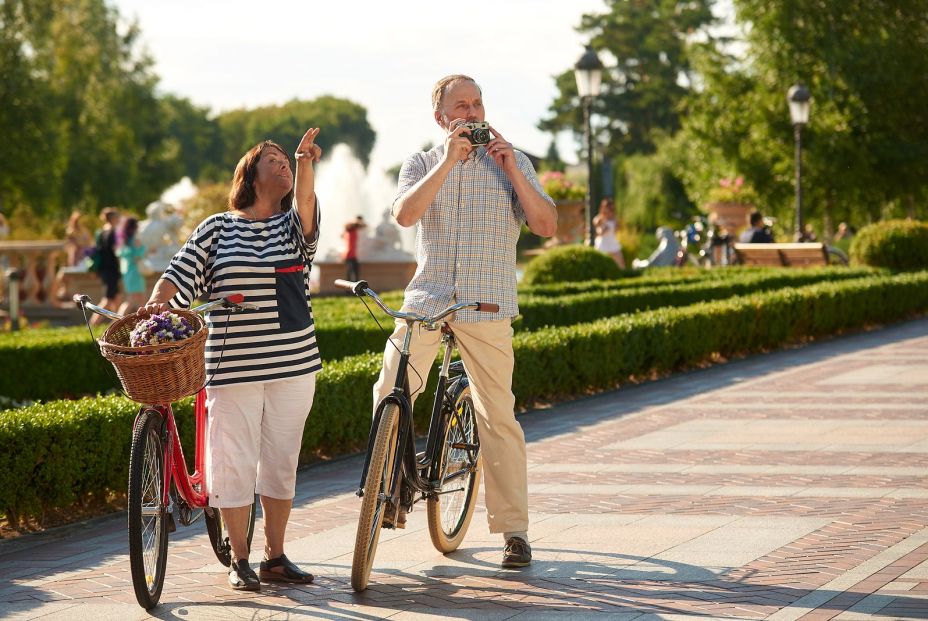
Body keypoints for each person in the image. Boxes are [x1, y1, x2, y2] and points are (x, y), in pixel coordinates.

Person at [375, 74, 557, 568]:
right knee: (390, 386)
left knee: (497, 415)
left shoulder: (513, 161)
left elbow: (545, 224)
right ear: (441, 118)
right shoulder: (421, 163)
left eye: (478, 103)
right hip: (428, 300)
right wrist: (447, 162)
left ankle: (514, 531)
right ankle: (388, 491)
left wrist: (512, 168)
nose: (473, 112)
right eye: (462, 106)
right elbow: (405, 216)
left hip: (487, 304)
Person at [136, 128, 324, 591]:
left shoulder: (294, 225)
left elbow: (305, 200)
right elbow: (179, 273)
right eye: (273, 160)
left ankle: (275, 556)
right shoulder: (217, 228)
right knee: (233, 462)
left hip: (294, 365)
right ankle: (239, 560)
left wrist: (305, 163)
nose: (283, 165)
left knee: (281, 462)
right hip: (232, 366)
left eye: (287, 161)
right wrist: (159, 302)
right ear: (251, 175)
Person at [90, 207, 122, 327]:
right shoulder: (113, 233)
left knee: (116, 298)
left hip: (104, 270)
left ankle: (116, 326)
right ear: (113, 218)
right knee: (107, 299)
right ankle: (92, 325)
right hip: (111, 270)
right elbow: (116, 252)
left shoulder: (101, 232)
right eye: (117, 217)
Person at [115, 217, 147, 316]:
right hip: (135, 272)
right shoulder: (135, 240)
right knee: (133, 299)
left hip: (127, 271)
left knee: (139, 298)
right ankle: (117, 320)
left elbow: (120, 254)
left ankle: (145, 320)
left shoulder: (123, 241)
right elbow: (138, 256)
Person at [592, 198, 625, 268]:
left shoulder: (614, 218)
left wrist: (617, 227)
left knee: (621, 264)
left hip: (612, 242)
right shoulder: (599, 219)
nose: (610, 209)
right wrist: (605, 230)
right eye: (608, 207)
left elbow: (617, 230)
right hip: (603, 244)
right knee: (601, 264)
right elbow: (598, 232)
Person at [342, 215, 366, 281]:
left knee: (350, 273)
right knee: (354, 273)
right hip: (351, 255)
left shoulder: (348, 232)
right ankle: (353, 286)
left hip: (348, 255)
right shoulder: (353, 232)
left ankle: (349, 286)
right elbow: (363, 225)